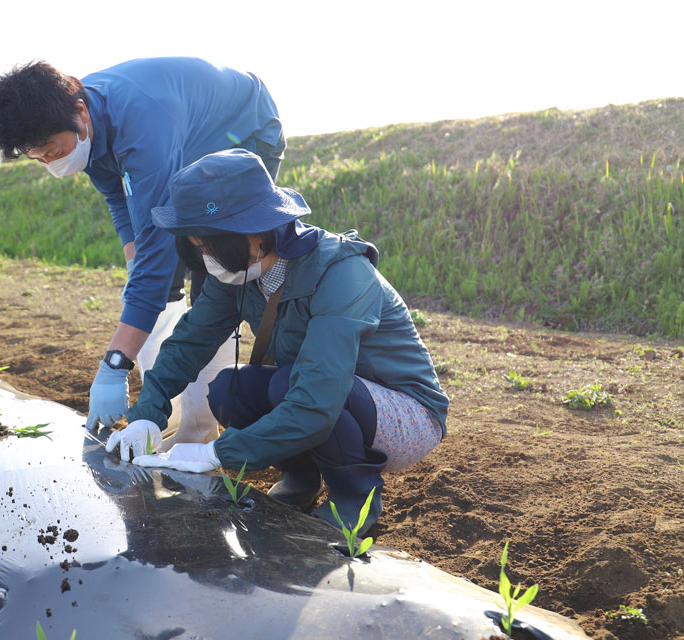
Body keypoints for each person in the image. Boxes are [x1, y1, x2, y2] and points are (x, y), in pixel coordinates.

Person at [111, 149, 449, 535]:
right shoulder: (237, 277)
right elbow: (187, 344)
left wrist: (218, 453)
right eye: (197, 247)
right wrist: (146, 417)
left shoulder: (342, 274)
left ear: (255, 233)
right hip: (326, 394)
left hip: (404, 414)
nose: (206, 258)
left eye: (210, 245)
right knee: (230, 388)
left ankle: (354, 503)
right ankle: (301, 479)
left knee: (289, 384)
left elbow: (318, 397)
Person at [0, 58, 284, 449]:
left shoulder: (142, 124)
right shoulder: (82, 116)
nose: (49, 162)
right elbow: (116, 193)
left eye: (52, 150)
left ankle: (200, 431)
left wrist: (113, 367)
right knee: (150, 281)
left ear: (80, 114)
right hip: (183, 139)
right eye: (37, 157)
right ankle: (168, 411)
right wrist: (134, 260)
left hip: (242, 131)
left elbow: (158, 253)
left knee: (214, 275)